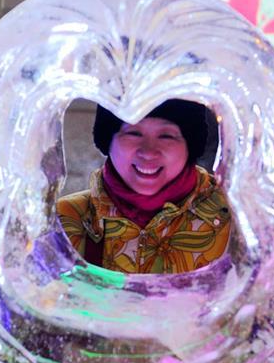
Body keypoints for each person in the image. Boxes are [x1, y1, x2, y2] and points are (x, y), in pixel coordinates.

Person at [57, 100, 231, 274]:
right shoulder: (61, 220)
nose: (148, 152)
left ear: (190, 145)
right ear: (108, 140)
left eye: (166, 136)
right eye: (133, 133)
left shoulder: (237, 222)